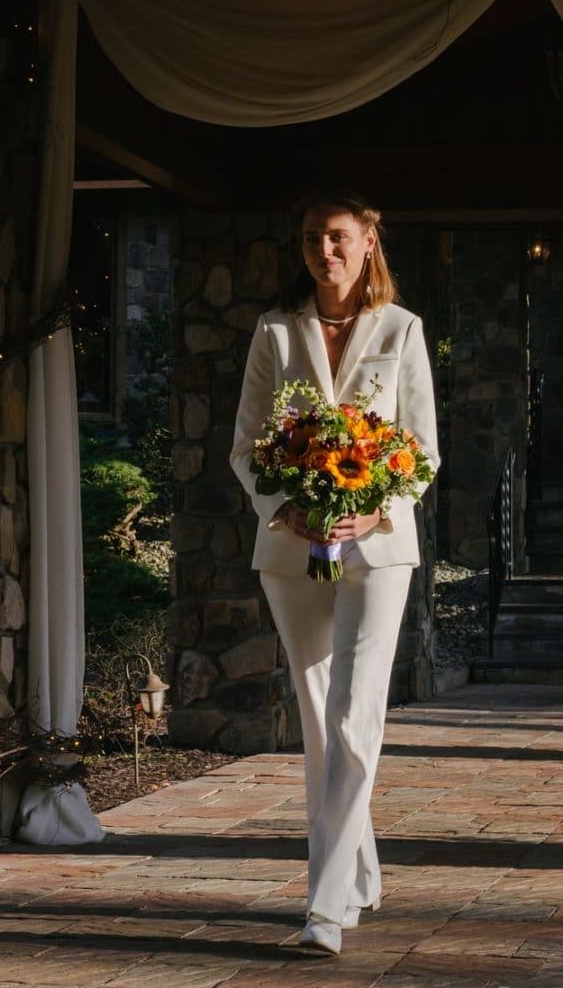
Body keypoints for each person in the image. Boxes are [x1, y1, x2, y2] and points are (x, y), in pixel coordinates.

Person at [230, 190, 439, 956]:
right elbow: (248, 446)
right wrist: (285, 509)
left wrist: (375, 512)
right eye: (315, 238)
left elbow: (421, 451)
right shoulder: (275, 333)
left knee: (357, 718)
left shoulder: (403, 330)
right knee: (321, 721)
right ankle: (359, 869)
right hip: (294, 549)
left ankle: (324, 907)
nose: (327, 251)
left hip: (377, 550)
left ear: (368, 242)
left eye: (340, 238)